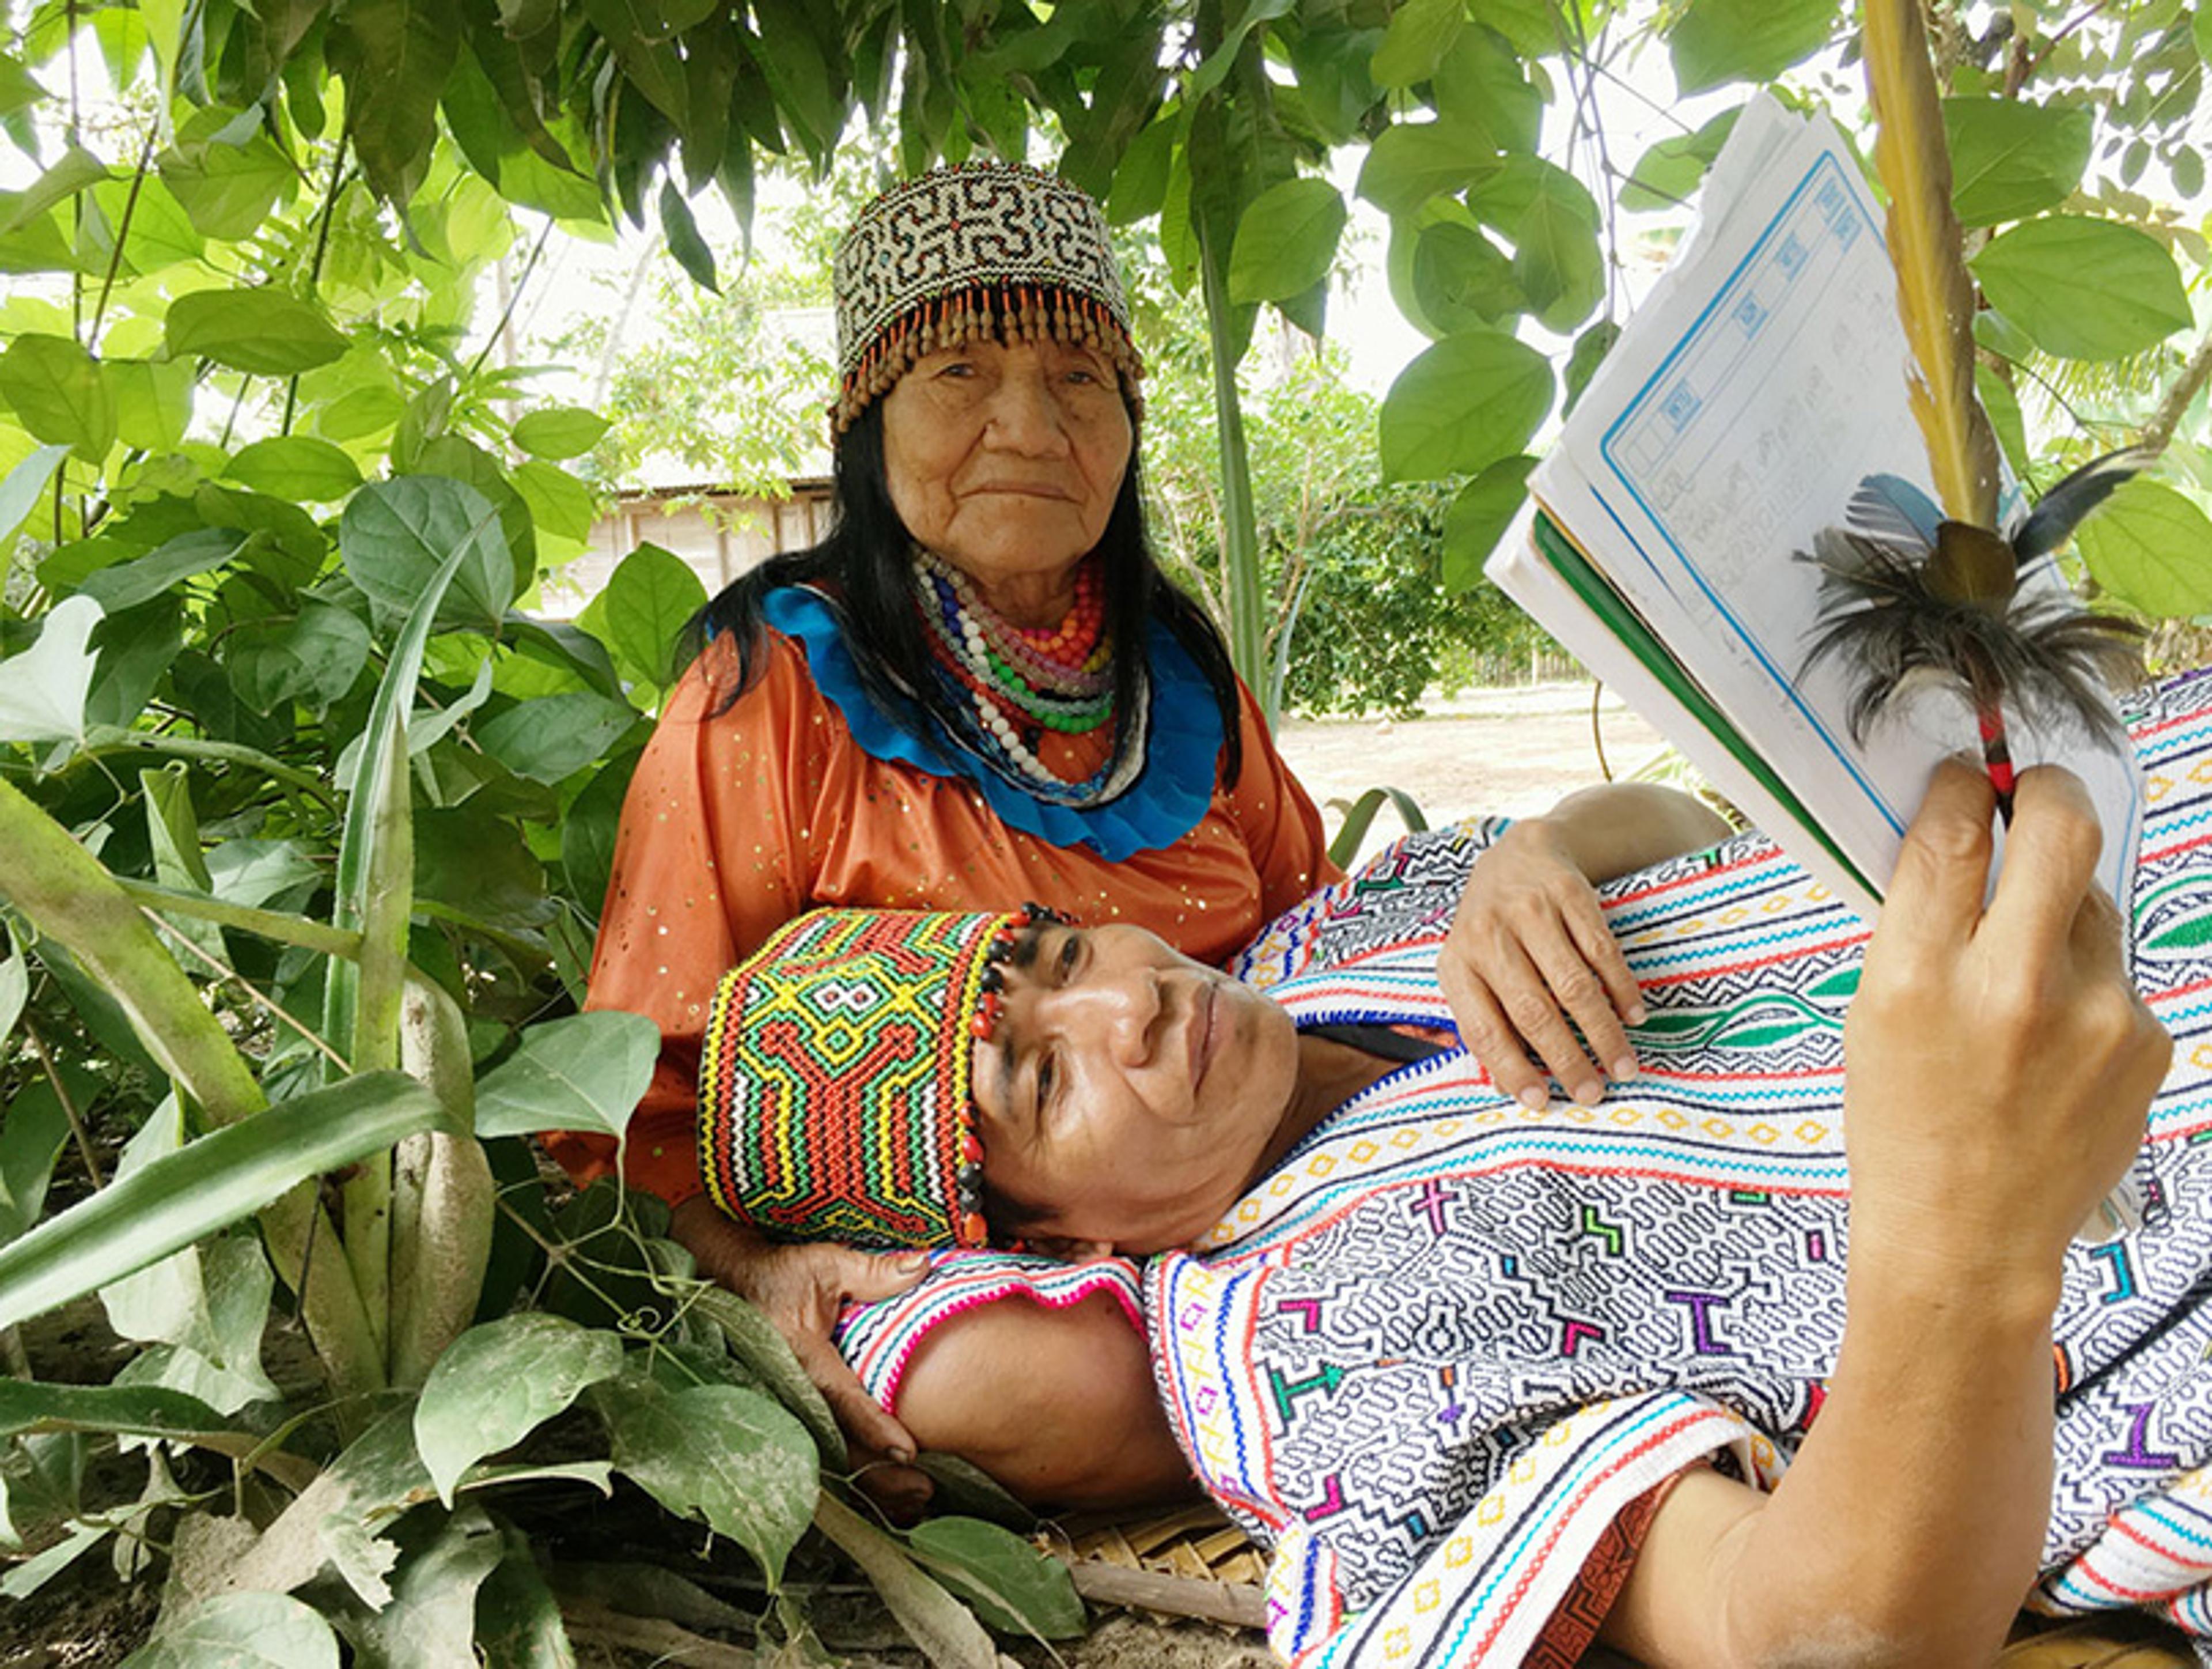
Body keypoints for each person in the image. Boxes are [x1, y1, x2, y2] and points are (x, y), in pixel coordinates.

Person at [559, 158, 1729, 1506]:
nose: (1031, 424)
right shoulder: (770, 691)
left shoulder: (1173, 673)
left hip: (1268, 1159)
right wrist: (754, 1272)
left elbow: (1321, 950)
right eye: (960, 372)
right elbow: (637, 1101)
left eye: (1077, 376)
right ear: (867, 418)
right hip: (1016, 1251)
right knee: (1020, 1379)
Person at [695, 669, 2212, 1664]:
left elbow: (1684, 822)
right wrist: (1966, 1245)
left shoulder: (1325, 947)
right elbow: (1816, 1637)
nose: (1128, 1003)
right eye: (1042, 1082)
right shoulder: (1310, 1356)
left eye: (1062, 953)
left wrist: (1542, 848)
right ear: (1043, 1239)